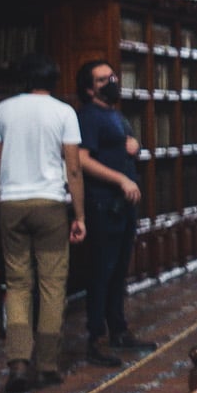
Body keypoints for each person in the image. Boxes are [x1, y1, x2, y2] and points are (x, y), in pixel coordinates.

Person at [0, 53, 85, 393]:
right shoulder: (64, 112)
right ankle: (46, 365)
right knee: (52, 284)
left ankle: (17, 362)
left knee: (17, 283)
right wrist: (80, 215)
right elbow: (73, 168)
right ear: (54, 80)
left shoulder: (4, 109)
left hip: (12, 203)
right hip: (49, 204)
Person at [75, 58, 156, 368]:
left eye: (112, 76)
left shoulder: (114, 114)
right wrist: (121, 179)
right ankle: (95, 338)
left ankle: (118, 329)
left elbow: (118, 147)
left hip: (123, 205)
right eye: (101, 80)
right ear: (88, 89)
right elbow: (82, 159)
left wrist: (131, 146)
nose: (111, 82)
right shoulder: (89, 116)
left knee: (119, 269)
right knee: (102, 270)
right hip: (102, 203)